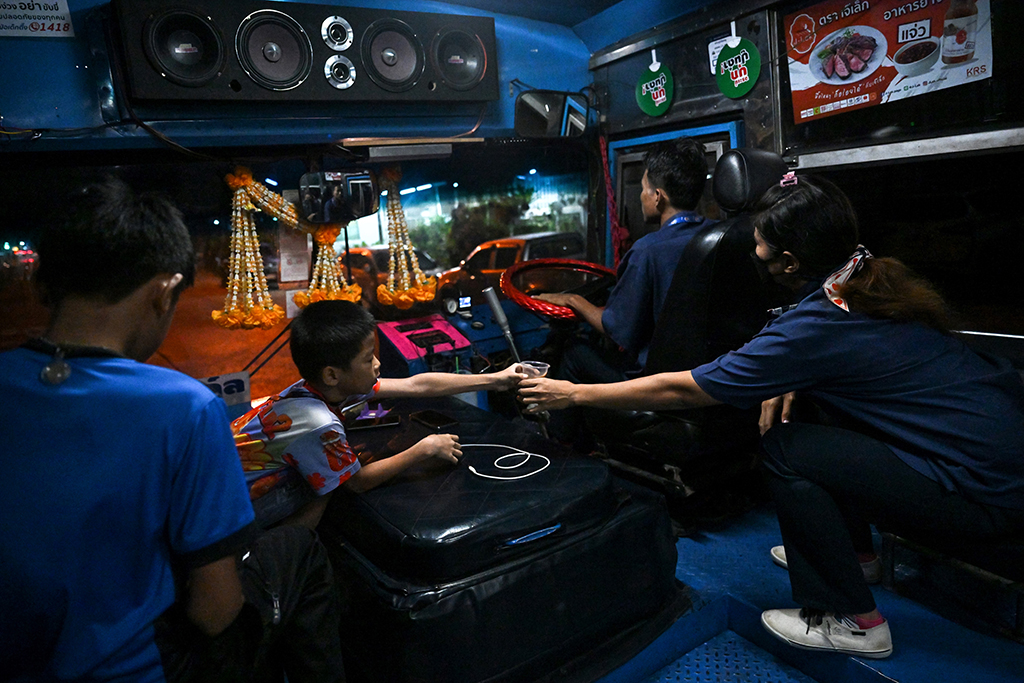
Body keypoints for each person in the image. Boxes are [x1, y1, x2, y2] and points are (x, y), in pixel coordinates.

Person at [520, 175, 1024, 659]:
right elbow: (849, 362)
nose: (753, 253)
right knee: (814, 410)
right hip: (998, 461)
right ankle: (856, 558)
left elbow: (684, 387)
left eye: (759, 246)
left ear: (789, 261)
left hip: (979, 490)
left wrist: (575, 393)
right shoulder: (865, 277)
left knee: (785, 449)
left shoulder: (815, 327)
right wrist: (792, 377)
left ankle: (851, 620)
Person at [0, 179, 343, 682]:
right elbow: (214, 609)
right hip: (142, 668)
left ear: (44, 283)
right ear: (163, 292)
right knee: (298, 552)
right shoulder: (182, 408)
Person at [233, 299, 525, 530]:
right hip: (233, 508)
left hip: (232, 480)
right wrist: (424, 448)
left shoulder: (316, 388)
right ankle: (286, 551)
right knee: (325, 493)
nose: (377, 363)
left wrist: (497, 379)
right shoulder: (319, 424)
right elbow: (358, 483)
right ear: (332, 374)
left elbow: (417, 384)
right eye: (367, 358)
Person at [536, 137, 715, 379]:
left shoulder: (647, 251)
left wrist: (573, 300)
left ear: (658, 197)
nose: (642, 196)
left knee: (574, 352)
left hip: (655, 380)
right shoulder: (719, 236)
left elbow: (614, 329)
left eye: (643, 189)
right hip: (708, 370)